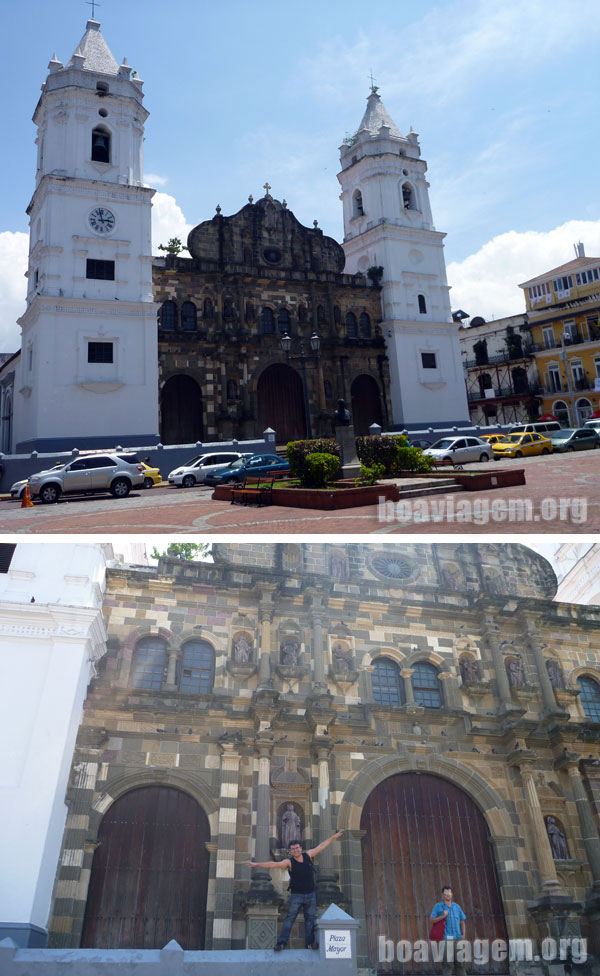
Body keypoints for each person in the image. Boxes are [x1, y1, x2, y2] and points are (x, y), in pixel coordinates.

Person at [244, 830, 343, 950]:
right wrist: (257, 865)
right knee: (290, 919)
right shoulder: (289, 862)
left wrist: (333, 837)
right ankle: (281, 943)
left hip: (311, 895)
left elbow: (321, 846)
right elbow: (273, 864)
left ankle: (309, 945)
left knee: (310, 920)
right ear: (291, 851)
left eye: (297, 848)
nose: (295, 850)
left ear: (301, 848)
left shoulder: (308, 855)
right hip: (297, 896)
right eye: (293, 849)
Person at [430, 886, 467, 976]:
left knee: (460, 964)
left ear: (452, 894)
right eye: (445, 893)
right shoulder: (438, 906)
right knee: (447, 964)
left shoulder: (457, 907)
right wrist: (443, 916)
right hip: (446, 939)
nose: (447, 895)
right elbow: (431, 920)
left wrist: (463, 935)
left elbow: (462, 922)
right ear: (443, 895)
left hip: (458, 938)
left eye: (449, 893)